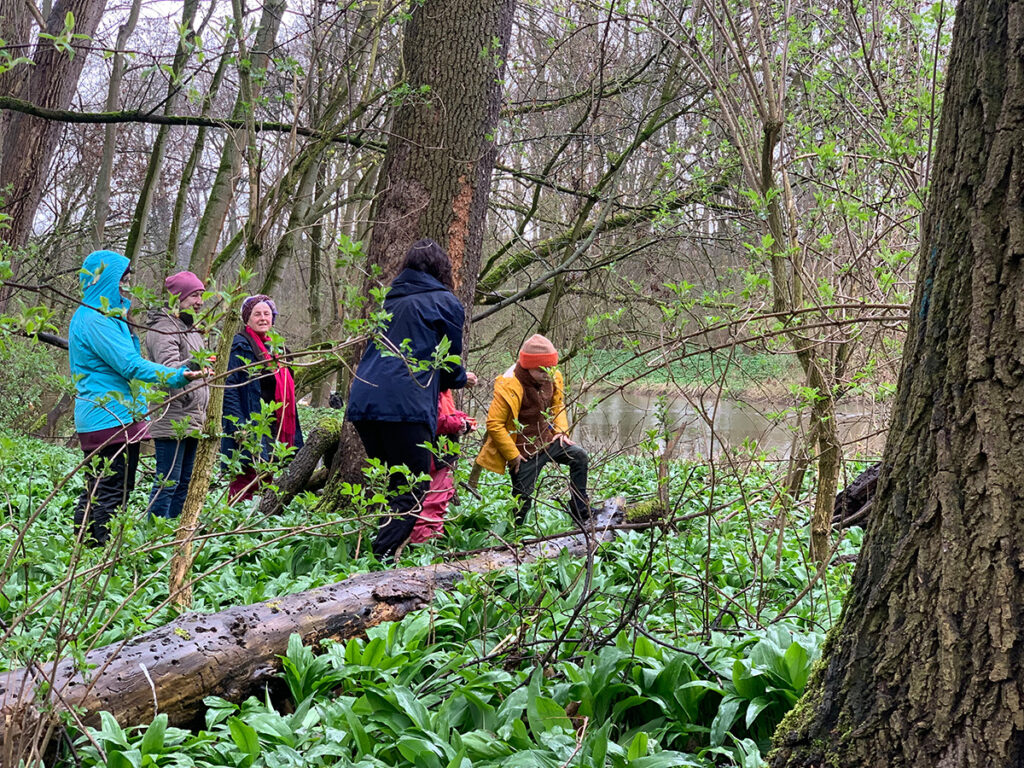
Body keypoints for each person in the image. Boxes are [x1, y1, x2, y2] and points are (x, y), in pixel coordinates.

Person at [347, 238, 477, 559]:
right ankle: (382, 558)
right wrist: (463, 377)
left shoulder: (389, 300)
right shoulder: (446, 302)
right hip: (405, 407)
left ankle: (383, 552)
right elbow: (446, 369)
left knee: (396, 485)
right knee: (414, 490)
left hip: (365, 404)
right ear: (441, 269)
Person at [69, 250, 207, 545]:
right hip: (106, 416)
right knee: (111, 487)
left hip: (117, 415)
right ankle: (97, 550)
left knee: (106, 485)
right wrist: (176, 375)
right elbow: (130, 364)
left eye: (128, 280)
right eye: (121, 279)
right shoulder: (97, 319)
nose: (126, 286)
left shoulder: (107, 317)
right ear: (104, 279)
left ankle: (86, 545)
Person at [474, 334, 594, 526]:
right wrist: (513, 456)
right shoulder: (509, 384)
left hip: (548, 441)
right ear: (528, 366)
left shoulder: (553, 376)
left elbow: (557, 405)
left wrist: (561, 431)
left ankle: (580, 511)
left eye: (551, 368)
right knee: (522, 503)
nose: (549, 373)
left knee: (579, 457)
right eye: (542, 370)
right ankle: (516, 538)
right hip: (523, 453)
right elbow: (494, 424)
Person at [221, 294, 303, 501]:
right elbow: (229, 388)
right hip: (250, 421)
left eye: (267, 314)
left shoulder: (280, 349)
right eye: (257, 314)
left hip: (277, 422)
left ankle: (260, 519)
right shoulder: (240, 345)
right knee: (247, 475)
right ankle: (238, 522)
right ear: (247, 318)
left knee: (270, 472)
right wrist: (238, 426)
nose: (263, 318)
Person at [145, 271, 209, 518]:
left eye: (201, 295)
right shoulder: (164, 328)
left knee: (183, 483)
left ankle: (171, 536)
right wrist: (196, 364)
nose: (200, 301)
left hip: (192, 417)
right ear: (177, 297)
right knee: (167, 483)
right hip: (173, 415)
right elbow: (169, 369)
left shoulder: (190, 328)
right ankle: (153, 536)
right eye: (194, 295)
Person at [408, 389, 476, 544]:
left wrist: (461, 418)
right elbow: (433, 418)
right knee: (432, 502)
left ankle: (430, 543)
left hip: (438, 453)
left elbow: (444, 411)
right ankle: (424, 547)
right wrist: (460, 424)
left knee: (437, 499)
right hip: (435, 455)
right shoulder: (432, 382)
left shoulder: (436, 384)